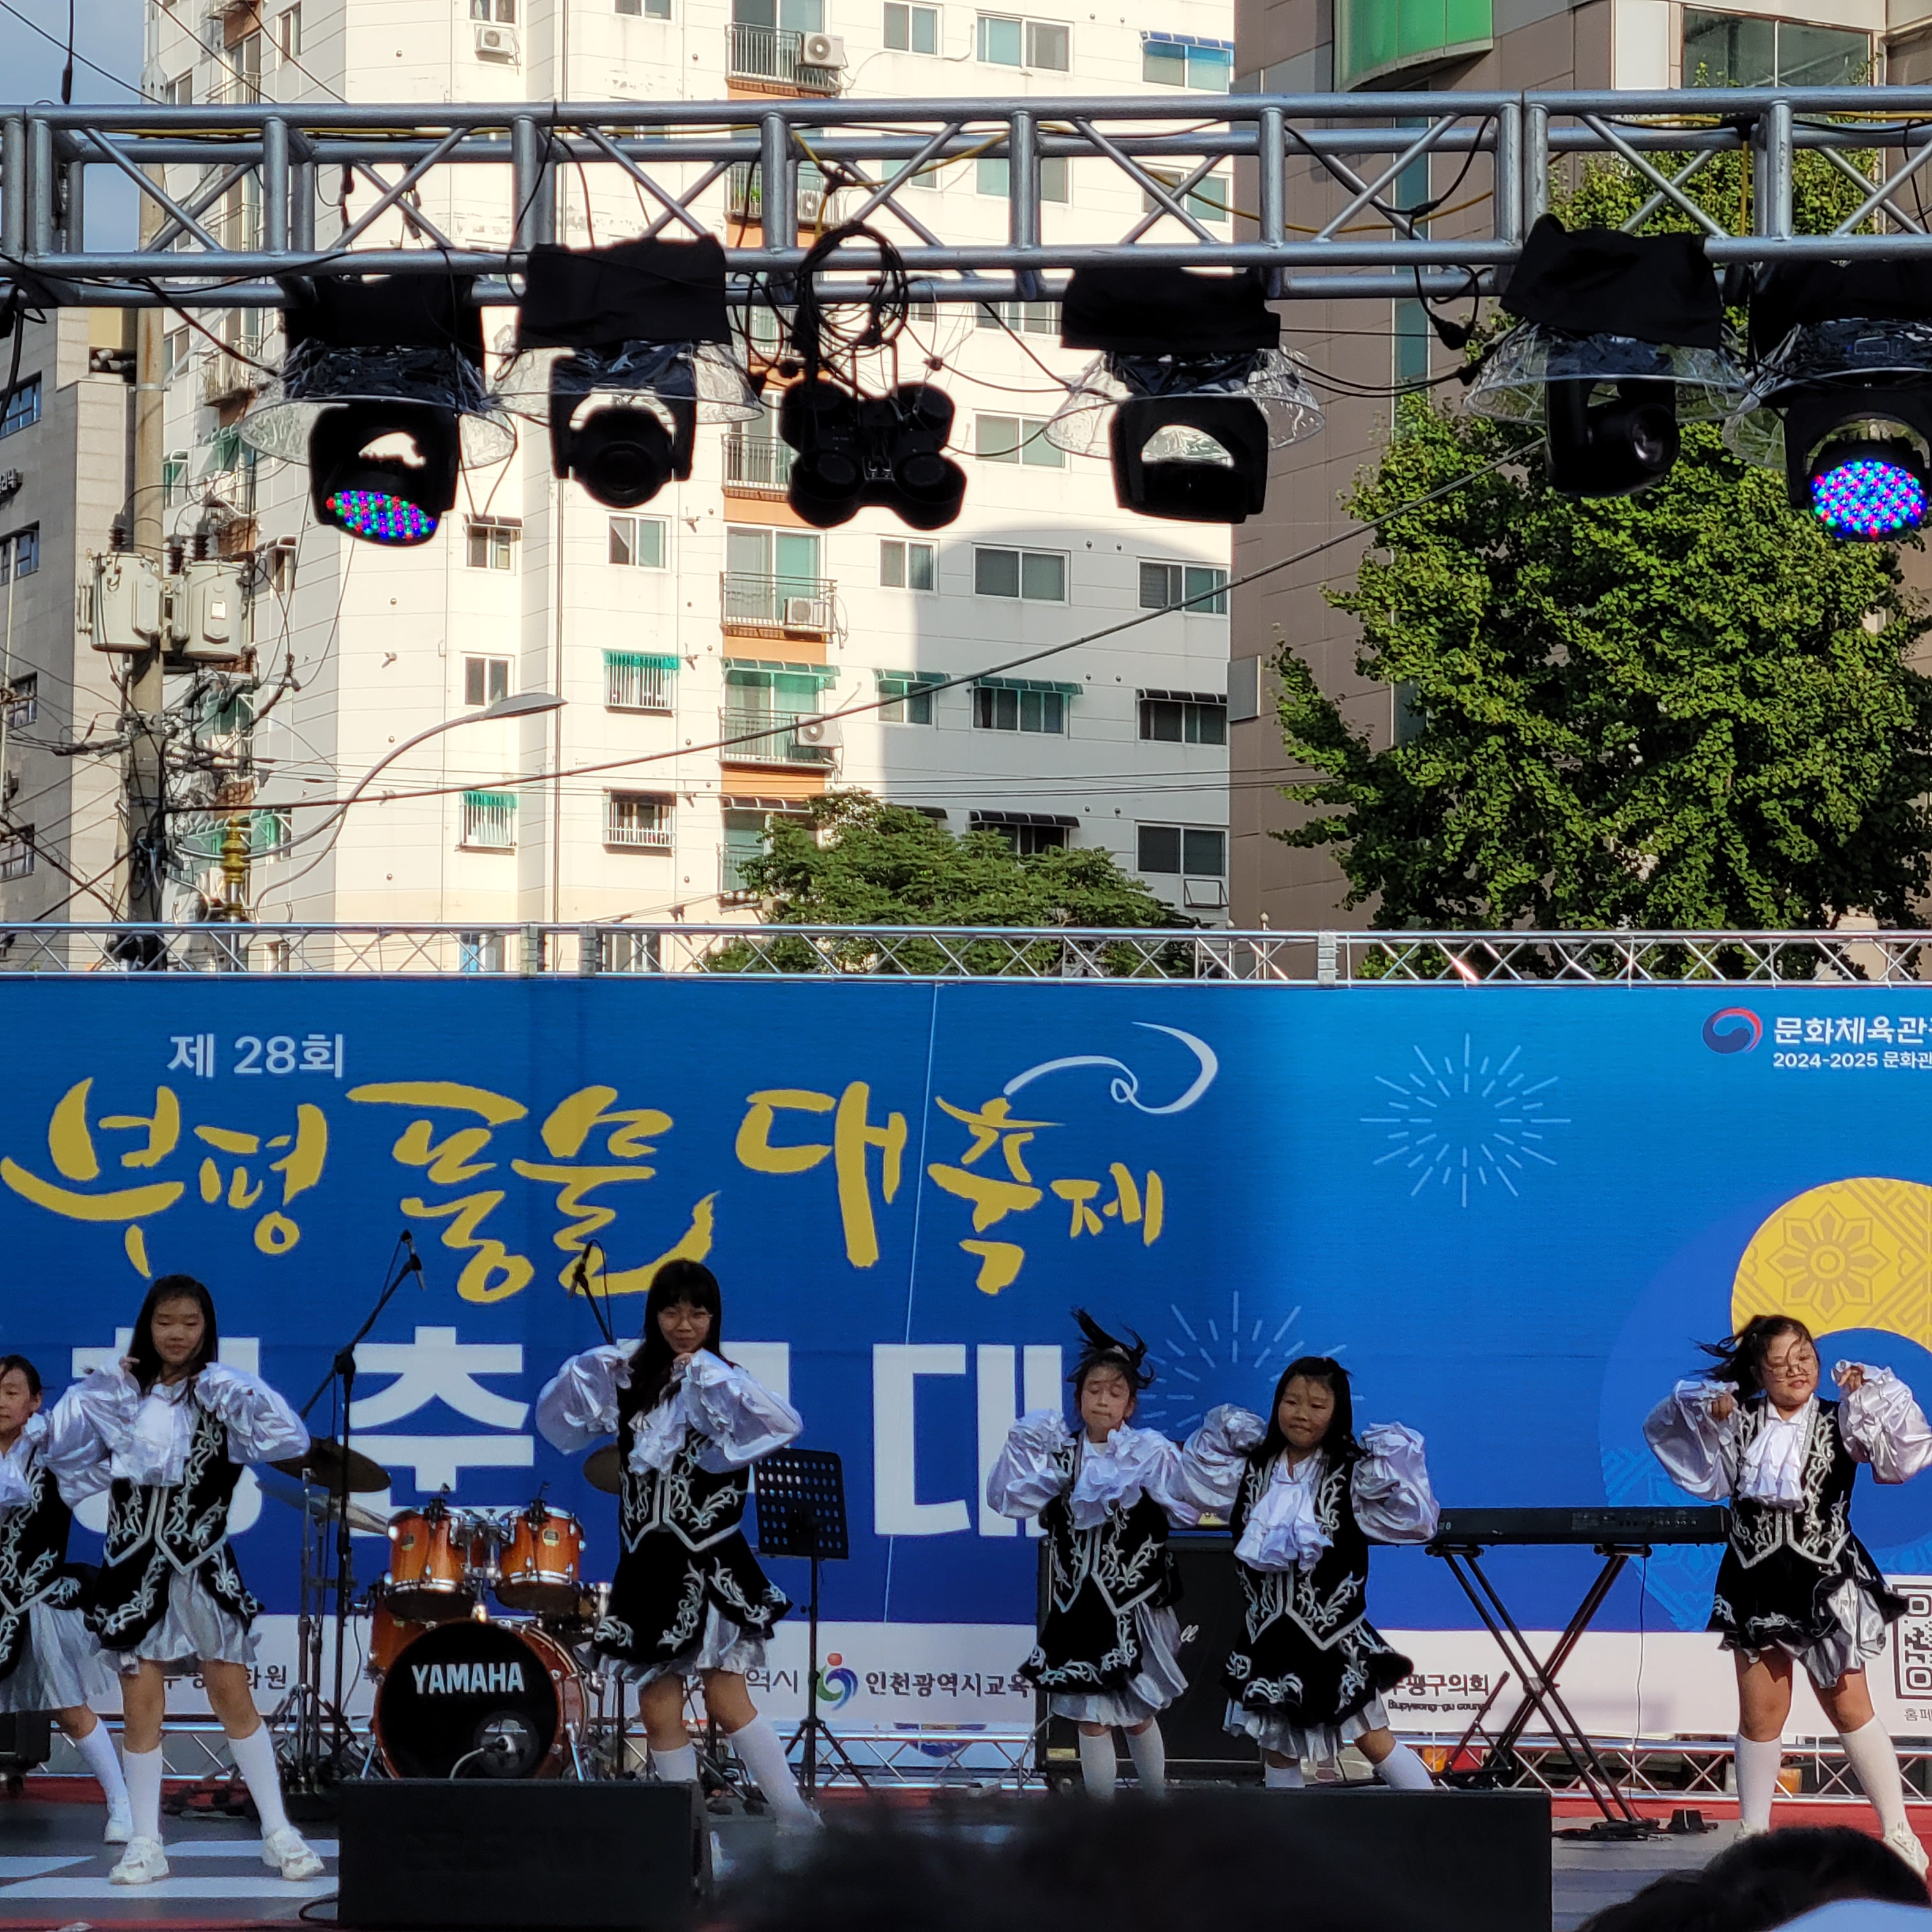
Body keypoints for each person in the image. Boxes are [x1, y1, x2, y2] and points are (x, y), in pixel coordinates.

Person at [44, 1275, 323, 1886]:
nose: (176, 1334)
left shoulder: (221, 1394)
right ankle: (146, 1841)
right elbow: (63, 1461)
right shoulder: (121, 1395)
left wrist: (240, 1389)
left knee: (231, 1693)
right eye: (165, 1321)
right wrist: (97, 1396)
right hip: (131, 1567)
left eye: (190, 1323)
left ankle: (278, 1830)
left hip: (203, 1563)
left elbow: (290, 1441)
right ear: (148, 1326)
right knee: (140, 1701)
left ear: (206, 1329)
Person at [1645, 1315, 1932, 1874]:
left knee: (1849, 1706)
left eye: (1804, 1358)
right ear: (1759, 1372)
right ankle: (1753, 1837)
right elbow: (1679, 1445)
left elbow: (1903, 1457)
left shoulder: (1842, 1417)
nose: (1796, 1370)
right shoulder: (1736, 1419)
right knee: (1760, 1715)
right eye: (1780, 1363)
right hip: (1755, 1577)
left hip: (1825, 1579)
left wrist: (1873, 1394)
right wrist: (1711, 1416)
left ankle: (1900, 1834)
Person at [534, 1258, 815, 1827]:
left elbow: (783, 1425)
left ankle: (798, 1821)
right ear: (654, 1315)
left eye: (698, 1312)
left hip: (709, 1560)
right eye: (671, 1311)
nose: (684, 1324)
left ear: (714, 1318)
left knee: (725, 1698)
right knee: (656, 1704)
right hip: (646, 1565)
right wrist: (590, 1370)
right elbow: (559, 1423)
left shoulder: (725, 1383)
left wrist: (710, 1379)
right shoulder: (630, 1382)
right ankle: (688, 1839)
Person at [1181, 1355, 1439, 1791]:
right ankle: (1287, 1836)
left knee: (1373, 1739)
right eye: (1291, 1402)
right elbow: (1191, 1485)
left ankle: (1440, 1821)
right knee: (1278, 1748)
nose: (1302, 1414)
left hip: (1332, 1637)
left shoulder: (1351, 1473)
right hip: (1267, 1638)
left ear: (1337, 1412)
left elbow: (1414, 1520)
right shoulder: (1252, 1470)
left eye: (1317, 1406)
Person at [986, 1310, 1199, 1798]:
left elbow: (1188, 1507)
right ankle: (1101, 1823)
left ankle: (1157, 1807)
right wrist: (1017, 1448)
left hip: (1134, 1604)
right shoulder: (1061, 1455)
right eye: (1094, 1390)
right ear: (1079, 1398)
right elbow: (1007, 1500)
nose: (1103, 1399)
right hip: (1078, 1606)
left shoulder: (1148, 1452)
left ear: (1130, 1405)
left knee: (1138, 1712)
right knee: (1090, 1717)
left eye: (1115, 1392)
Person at [0, 1353, 132, 1841]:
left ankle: (122, 1804)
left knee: (68, 1709)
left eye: (11, 1392)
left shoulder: (55, 1456)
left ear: (35, 1401)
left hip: (33, 1600)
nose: (1, 1402)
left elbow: (112, 1448)